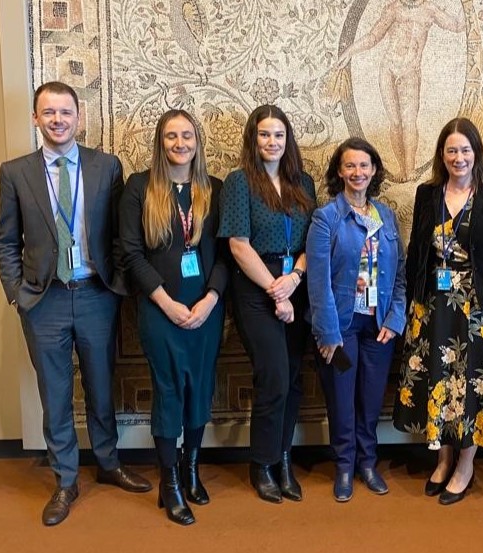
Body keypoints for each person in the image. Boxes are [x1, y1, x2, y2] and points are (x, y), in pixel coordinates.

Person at [0, 81, 152, 526]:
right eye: (49, 112)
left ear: (78, 117)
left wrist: (118, 283)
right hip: (43, 300)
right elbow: (6, 240)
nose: (58, 120)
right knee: (56, 394)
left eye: (65, 112)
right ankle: (65, 479)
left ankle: (108, 463)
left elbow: (122, 234)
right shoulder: (15, 172)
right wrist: (17, 293)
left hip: (96, 295)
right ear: (36, 118)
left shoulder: (106, 166)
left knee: (102, 387)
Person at [394, 118, 483, 506]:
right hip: (434, 306)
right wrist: (412, 302)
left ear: (476, 152)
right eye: (451, 150)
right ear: (442, 155)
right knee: (439, 382)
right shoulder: (427, 193)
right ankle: (443, 457)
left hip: (478, 309)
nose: (458, 157)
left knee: (470, 386)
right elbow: (418, 250)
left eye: (465, 150)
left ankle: (466, 463)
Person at [119, 109, 227, 524]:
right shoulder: (138, 188)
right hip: (160, 310)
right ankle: (170, 483)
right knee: (169, 393)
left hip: (206, 311)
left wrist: (210, 300)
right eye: (170, 137)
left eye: (186, 136)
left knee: (200, 390)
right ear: (160, 143)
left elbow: (221, 256)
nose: (179, 144)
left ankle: (191, 471)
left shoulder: (212, 189)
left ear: (197, 141)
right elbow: (130, 254)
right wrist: (166, 302)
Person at [219, 105, 317, 503]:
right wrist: (276, 290)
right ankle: (261, 463)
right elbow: (238, 245)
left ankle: (283, 459)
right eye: (264, 135)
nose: (272, 142)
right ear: (253, 139)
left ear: (287, 140)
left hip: (297, 280)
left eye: (278, 135)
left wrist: (293, 280)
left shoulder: (303, 182)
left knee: (293, 378)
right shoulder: (239, 182)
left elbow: (314, 239)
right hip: (255, 287)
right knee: (273, 375)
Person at [306, 138, 407, 502]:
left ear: (374, 170)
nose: (358, 172)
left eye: (364, 166)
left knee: (370, 397)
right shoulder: (326, 218)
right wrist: (328, 333)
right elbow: (318, 282)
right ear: (339, 172)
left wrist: (395, 319)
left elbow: (399, 274)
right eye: (350, 166)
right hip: (341, 328)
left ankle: (368, 463)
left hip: (378, 326)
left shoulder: (386, 216)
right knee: (342, 399)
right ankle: (345, 466)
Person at [334, 0, 464, 180]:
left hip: (410, 71)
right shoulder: (394, 9)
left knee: (409, 122)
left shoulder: (430, 10)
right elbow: (373, 36)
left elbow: (457, 26)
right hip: (388, 68)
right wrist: (350, 51)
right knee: (395, 122)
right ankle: (402, 169)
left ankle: (409, 170)